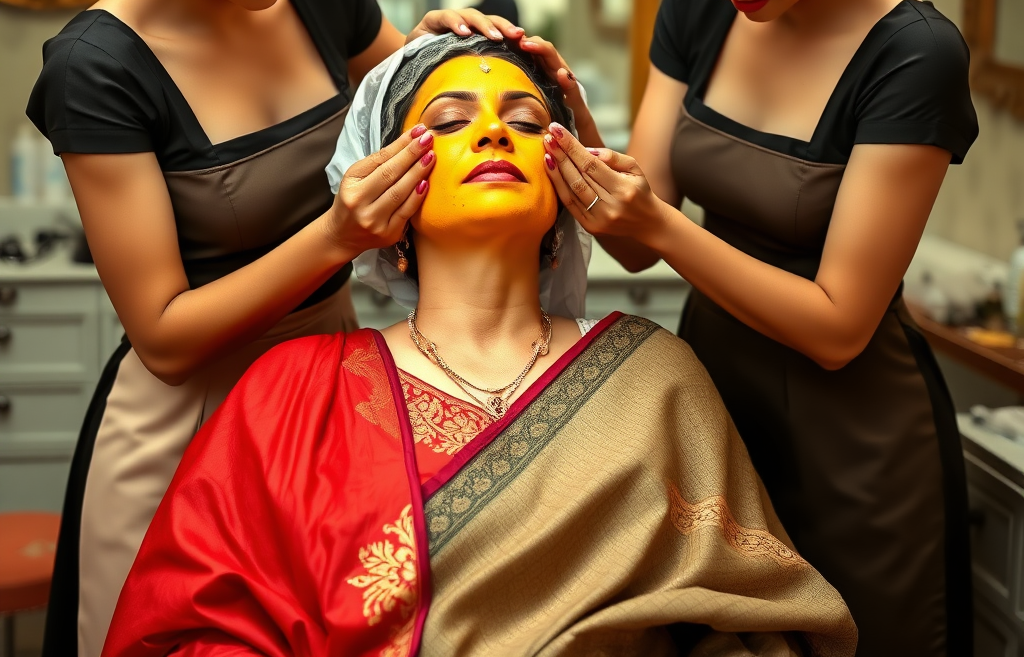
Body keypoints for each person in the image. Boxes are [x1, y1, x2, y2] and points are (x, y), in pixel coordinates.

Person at [101, 33, 856, 657]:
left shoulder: (655, 377)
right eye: (449, 121)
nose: (495, 131)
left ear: (568, 197)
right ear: (384, 199)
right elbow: (188, 630)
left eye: (528, 123)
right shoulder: (293, 393)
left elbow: (753, 628)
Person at [25, 0, 531, 657]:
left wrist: (444, 54)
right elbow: (168, 339)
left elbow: (403, 114)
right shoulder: (97, 69)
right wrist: (336, 236)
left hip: (338, 392)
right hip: (190, 421)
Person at [540, 0, 979, 656]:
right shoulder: (698, 4)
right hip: (709, 399)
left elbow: (836, 327)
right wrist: (572, 138)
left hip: (854, 435)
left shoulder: (913, 55)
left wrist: (660, 227)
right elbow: (637, 235)